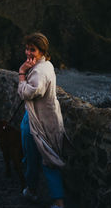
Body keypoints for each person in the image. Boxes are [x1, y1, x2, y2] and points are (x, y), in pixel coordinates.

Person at [18, 32, 66, 208]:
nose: (28, 53)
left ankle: (32, 191)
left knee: (36, 158)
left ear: (42, 51)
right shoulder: (47, 65)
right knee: (49, 158)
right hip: (41, 117)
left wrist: (22, 72)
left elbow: (27, 92)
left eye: (33, 50)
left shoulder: (39, 71)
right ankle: (57, 200)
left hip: (37, 121)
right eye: (27, 49)